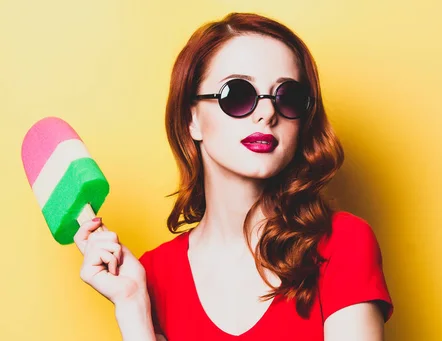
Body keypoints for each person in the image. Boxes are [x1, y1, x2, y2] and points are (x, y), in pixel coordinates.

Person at [73, 12, 393, 341]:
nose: (267, 112)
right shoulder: (152, 275)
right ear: (191, 119)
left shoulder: (341, 244)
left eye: (288, 97)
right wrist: (131, 306)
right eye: (238, 95)